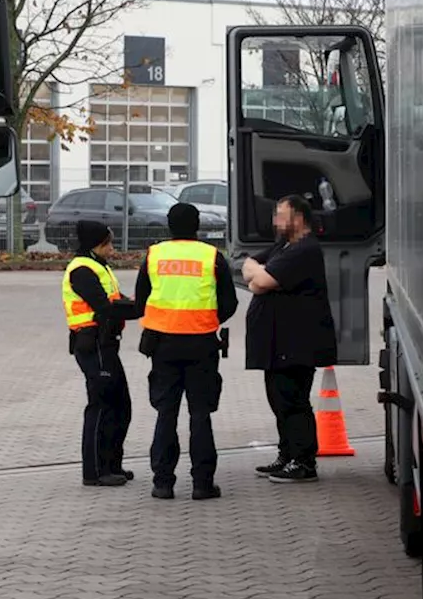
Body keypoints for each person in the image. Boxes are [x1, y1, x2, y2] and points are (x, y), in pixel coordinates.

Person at [131, 203, 238, 500]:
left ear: (168, 225)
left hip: (162, 345)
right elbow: (229, 303)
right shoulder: (211, 256)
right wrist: (206, 320)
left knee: (166, 413)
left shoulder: (155, 255)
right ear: (198, 225)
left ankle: (162, 483)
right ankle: (203, 484)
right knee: (200, 414)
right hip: (201, 344)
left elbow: (141, 301)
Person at [243, 195, 337, 484]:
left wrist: (259, 276)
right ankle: (287, 454)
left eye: (280, 215)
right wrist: (259, 274)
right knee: (278, 400)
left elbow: (260, 282)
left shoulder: (303, 250)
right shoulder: (284, 246)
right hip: (277, 344)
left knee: (293, 401)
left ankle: (304, 461)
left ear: (297, 218)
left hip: (295, 343)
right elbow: (248, 264)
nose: (275, 221)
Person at [62, 220, 142, 487]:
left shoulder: (99, 267)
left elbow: (116, 300)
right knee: (102, 405)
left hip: (106, 344)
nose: (111, 248)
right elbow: (105, 307)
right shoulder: (82, 270)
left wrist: (139, 306)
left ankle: (112, 464)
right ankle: (95, 471)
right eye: (108, 243)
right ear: (96, 244)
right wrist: (141, 309)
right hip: (92, 343)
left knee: (121, 405)